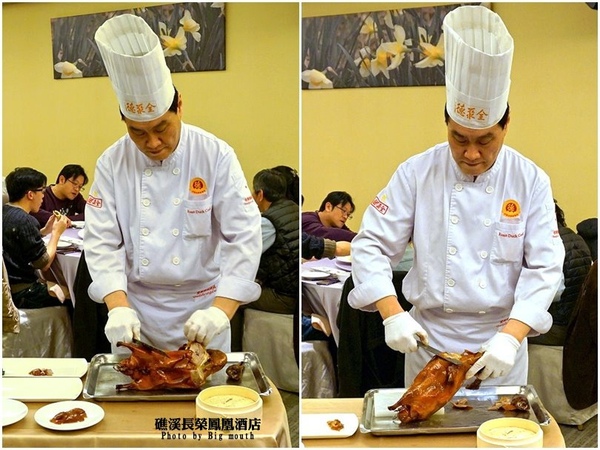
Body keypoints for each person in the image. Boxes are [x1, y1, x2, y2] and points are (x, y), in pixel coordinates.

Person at [348, 6, 564, 387]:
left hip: (500, 348)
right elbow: (371, 245)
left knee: (500, 426)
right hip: (429, 344)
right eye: (459, 138)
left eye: (485, 140)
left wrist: (511, 337)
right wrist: (392, 313)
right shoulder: (417, 172)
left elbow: (546, 267)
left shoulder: (530, 180)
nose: (471, 153)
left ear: (506, 125)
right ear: (446, 123)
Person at [84, 14, 262, 352]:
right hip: (134, 312)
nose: (151, 142)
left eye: (161, 128)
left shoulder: (215, 154)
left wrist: (220, 312)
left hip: (203, 309)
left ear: (179, 106)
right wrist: (117, 306)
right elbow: (101, 240)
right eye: (137, 132)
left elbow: (244, 235)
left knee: (206, 384)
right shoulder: (112, 162)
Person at [2, 167, 69, 309]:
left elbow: (17, 240)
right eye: (42, 191)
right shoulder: (26, 220)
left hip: (8, 289)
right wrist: (56, 234)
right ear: (30, 194)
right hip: (23, 292)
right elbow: (43, 263)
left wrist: (45, 231)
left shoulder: (4, 211)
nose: (43, 196)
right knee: (74, 295)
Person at [529, 200, 592, 346]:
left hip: (551, 328)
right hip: (573, 323)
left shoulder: (548, 242)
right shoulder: (577, 238)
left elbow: (554, 292)